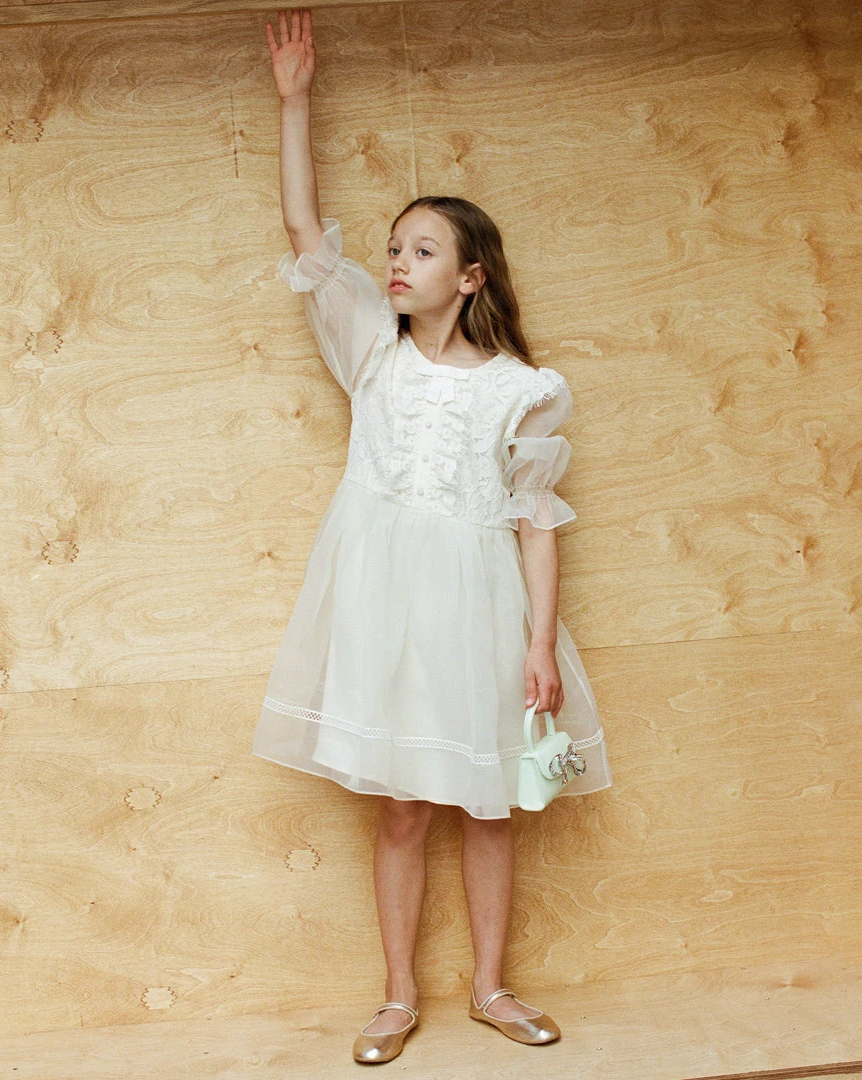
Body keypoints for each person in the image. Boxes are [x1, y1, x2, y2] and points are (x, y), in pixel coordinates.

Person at [252, 9, 612, 1064]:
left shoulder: (521, 391)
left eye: (422, 250)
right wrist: (294, 103)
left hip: (479, 609)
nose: (399, 263)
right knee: (404, 807)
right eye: (395, 248)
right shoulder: (373, 350)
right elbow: (306, 236)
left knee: (489, 804)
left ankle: (493, 988)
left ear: (471, 276)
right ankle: (398, 995)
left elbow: (536, 523)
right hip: (382, 605)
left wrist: (540, 645)